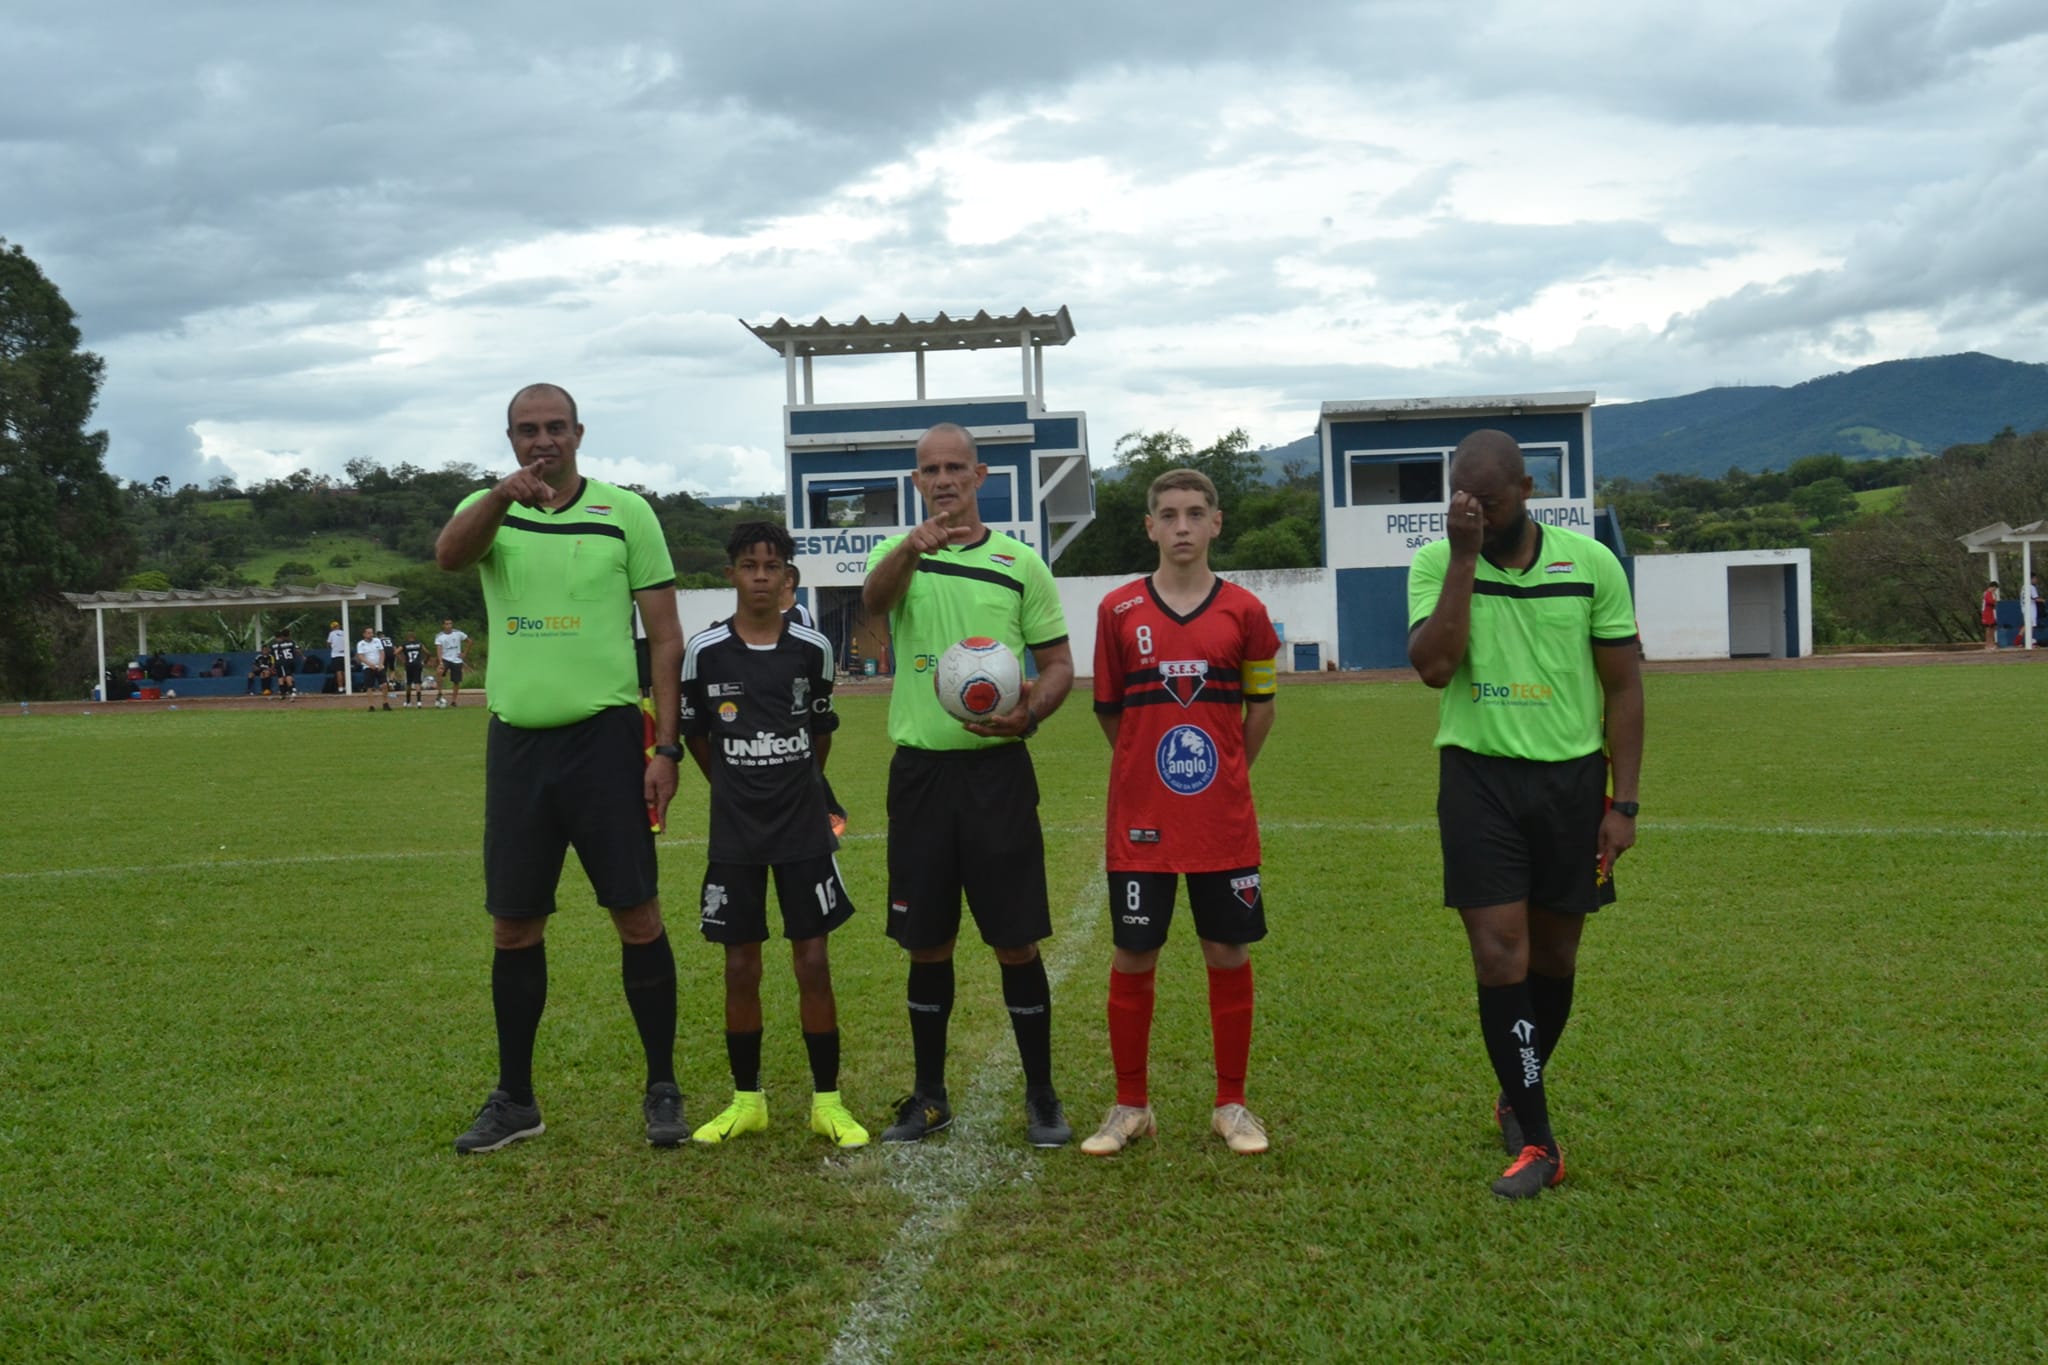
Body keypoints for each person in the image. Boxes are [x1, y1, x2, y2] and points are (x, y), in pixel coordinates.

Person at [434, 381, 687, 1155]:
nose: (542, 440)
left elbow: (667, 639)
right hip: (518, 745)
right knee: (514, 925)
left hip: (607, 742)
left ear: (579, 432)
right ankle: (516, 1097)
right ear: (509, 439)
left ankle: (662, 1085)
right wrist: (499, 501)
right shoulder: (487, 512)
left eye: (554, 427)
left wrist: (666, 749)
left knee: (636, 912)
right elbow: (448, 556)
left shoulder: (626, 514)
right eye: (526, 430)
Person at [1406, 429, 1643, 1200]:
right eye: (1463, 498)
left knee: (1555, 958)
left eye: (1492, 500)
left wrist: (1625, 802)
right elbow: (1435, 666)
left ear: (1527, 490)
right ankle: (1539, 1138)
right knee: (1498, 954)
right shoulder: (1440, 562)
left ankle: (1516, 1088)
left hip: (1572, 784)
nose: (1476, 511)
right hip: (1477, 779)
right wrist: (1466, 558)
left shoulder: (1592, 564)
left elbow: (1624, 688)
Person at [860, 422, 1076, 1147]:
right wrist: (909, 550)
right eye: (931, 470)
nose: (944, 479)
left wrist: (1029, 714)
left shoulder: (1021, 563)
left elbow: (1057, 665)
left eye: (956, 467)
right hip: (921, 774)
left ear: (981, 475)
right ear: (916, 481)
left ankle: (1042, 1094)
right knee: (928, 942)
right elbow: (871, 603)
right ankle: (928, 1096)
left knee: (1015, 939)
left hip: (997, 774)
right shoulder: (901, 561)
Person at [1082, 468, 1280, 1158]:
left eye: (1196, 512)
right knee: (1135, 951)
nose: (1183, 526)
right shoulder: (1116, 611)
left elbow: (1261, 708)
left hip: (1222, 820)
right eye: (1169, 514)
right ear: (1150, 527)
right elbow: (1112, 713)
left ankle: (1232, 1104)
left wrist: (1224, 771)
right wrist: (1149, 771)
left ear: (1217, 522)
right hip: (1141, 822)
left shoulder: (1247, 613)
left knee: (1226, 949)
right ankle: (1131, 1105)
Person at [679, 522, 867, 1149]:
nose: (760, 576)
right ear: (731, 573)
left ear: (789, 576)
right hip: (735, 832)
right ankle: (747, 1100)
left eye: (772, 566)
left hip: (801, 828)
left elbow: (820, 729)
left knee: (813, 961)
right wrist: (734, 785)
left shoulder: (812, 649)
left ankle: (827, 1103)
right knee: (740, 966)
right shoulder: (704, 652)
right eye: (748, 565)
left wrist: (799, 786)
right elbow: (698, 736)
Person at [781, 561, 848, 837]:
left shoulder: (799, 615)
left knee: (804, 760)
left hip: (798, 703)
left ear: (787, 581)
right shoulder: (770, 615)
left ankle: (832, 812)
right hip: (778, 705)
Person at [435, 617, 470, 706]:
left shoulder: (458, 633)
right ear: (443, 625)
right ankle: (439, 692)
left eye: (450, 624)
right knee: (439, 672)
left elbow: (469, 641)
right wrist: (440, 662)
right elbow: (439, 649)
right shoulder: (440, 636)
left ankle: (454, 701)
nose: (449, 626)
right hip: (445, 658)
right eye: (447, 624)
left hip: (456, 659)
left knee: (456, 681)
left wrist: (464, 653)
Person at [356, 627, 389, 709]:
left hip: (379, 666)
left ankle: (385, 703)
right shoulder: (360, 644)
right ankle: (371, 705)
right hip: (368, 667)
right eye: (368, 633)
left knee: (384, 684)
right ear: (364, 634)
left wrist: (381, 663)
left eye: (371, 633)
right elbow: (360, 656)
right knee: (369, 686)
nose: (371, 635)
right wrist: (369, 664)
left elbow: (382, 652)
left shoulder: (377, 641)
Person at [398, 631, 429, 708]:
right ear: (414, 637)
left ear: (407, 637)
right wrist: (425, 661)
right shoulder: (419, 644)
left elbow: (396, 652)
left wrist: (402, 660)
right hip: (418, 664)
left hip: (409, 665)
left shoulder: (404, 644)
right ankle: (419, 702)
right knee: (417, 683)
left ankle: (408, 702)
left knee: (408, 683)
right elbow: (428, 653)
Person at [271, 630, 299, 701]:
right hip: (285, 662)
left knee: (280, 677)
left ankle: (282, 693)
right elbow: (295, 650)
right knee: (288, 676)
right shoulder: (287, 643)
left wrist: (273, 665)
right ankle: (291, 692)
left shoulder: (273, 645)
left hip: (278, 662)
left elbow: (273, 655)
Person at [1982, 580, 2000, 651]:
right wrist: (1994, 601)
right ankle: (1988, 644)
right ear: (1992, 587)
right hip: (1987, 613)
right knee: (1988, 629)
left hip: (1992, 613)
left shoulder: (1993, 594)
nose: (1995, 590)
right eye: (1995, 588)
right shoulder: (1987, 593)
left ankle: (1991, 643)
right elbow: (1990, 602)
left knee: (1993, 628)